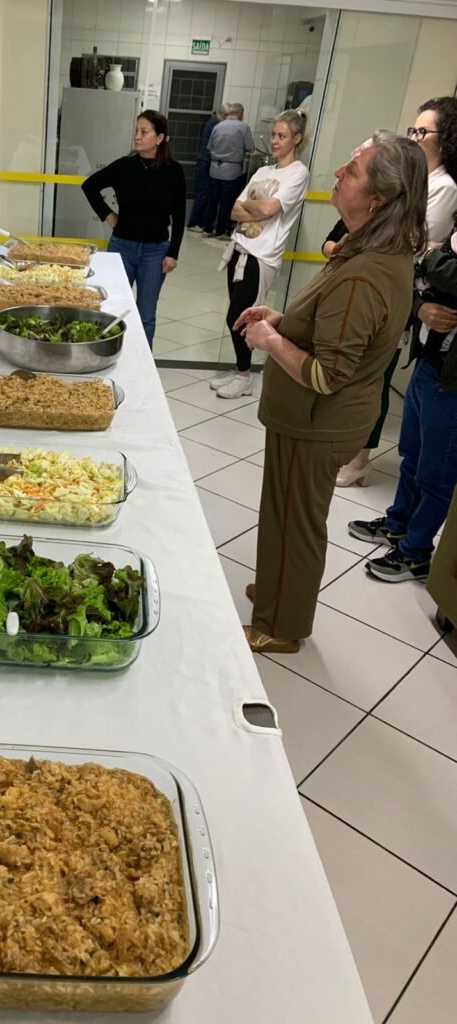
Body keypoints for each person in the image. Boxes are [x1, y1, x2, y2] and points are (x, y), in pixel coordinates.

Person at [232, 131, 427, 653]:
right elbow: (330, 330)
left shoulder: (365, 273)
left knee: (296, 524)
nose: (339, 173)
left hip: (317, 421)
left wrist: (270, 340)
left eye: (353, 170)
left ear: (378, 199)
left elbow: (326, 375)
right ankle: (276, 591)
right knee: (283, 513)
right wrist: (282, 320)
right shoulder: (367, 250)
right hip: (305, 419)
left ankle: (282, 625)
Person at [335, 96, 457, 486]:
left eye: (423, 131)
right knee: (360, 372)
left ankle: (359, 458)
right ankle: (351, 451)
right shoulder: (412, 179)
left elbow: (412, 244)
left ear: (445, 138)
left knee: (373, 376)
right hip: (391, 280)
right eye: (412, 130)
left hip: (402, 290)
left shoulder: (443, 187)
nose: (415, 137)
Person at [348, 219, 457, 582]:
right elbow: (414, 280)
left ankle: (415, 553)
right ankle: (398, 526)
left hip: (452, 380)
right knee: (411, 453)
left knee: (437, 473)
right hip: (429, 361)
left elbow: (440, 270)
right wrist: (421, 306)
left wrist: (428, 256)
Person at [209, 110, 309, 400]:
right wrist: (260, 208)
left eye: (282, 136)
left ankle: (244, 376)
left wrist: (256, 207)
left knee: (239, 316)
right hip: (239, 247)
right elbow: (234, 209)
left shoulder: (298, 173)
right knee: (237, 314)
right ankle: (240, 369)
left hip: (261, 255)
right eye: (273, 135)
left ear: (296, 139)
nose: (275, 141)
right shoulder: (262, 172)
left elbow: (269, 209)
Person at [81, 109, 186, 347]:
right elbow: (89, 185)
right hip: (122, 248)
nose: (137, 136)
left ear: (159, 137)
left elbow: (180, 216)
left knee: (146, 313)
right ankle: (109, 353)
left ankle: (142, 359)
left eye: (144, 131)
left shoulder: (173, 171)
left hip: (155, 252)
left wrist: (173, 253)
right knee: (113, 306)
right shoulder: (125, 166)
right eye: (136, 130)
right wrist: (108, 215)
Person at [202, 103, 254, 239]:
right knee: (226, 203)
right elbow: (250, 147)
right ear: (241, 113)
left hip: (214, 169)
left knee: (212, 201)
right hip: (232, 171)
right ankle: (220, 231)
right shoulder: (243, 127)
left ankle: (207, 229)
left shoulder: (217, 126)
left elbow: (209, 147)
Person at [187, 108, 221, 232]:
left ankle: (198, 222)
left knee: (204, 193)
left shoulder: (213, 122)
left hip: (205, 161)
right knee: (203, 193)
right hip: (205, 161)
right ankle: (193, 223)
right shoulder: (215, 124)